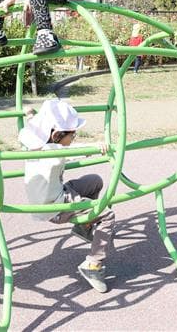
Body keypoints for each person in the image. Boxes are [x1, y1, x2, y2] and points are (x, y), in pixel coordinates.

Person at [19, 99, 115, 293]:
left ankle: (84, 226)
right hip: (56, 207)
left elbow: (35, 124)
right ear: (56, 135)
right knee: (106, 214)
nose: (74, 137)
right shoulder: (53, 151)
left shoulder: (35, 139)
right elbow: (75, 151)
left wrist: (29, 114)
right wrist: (97, 146)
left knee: (94, 180)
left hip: (57, 192)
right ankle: (93, 265)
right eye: (72, 134)